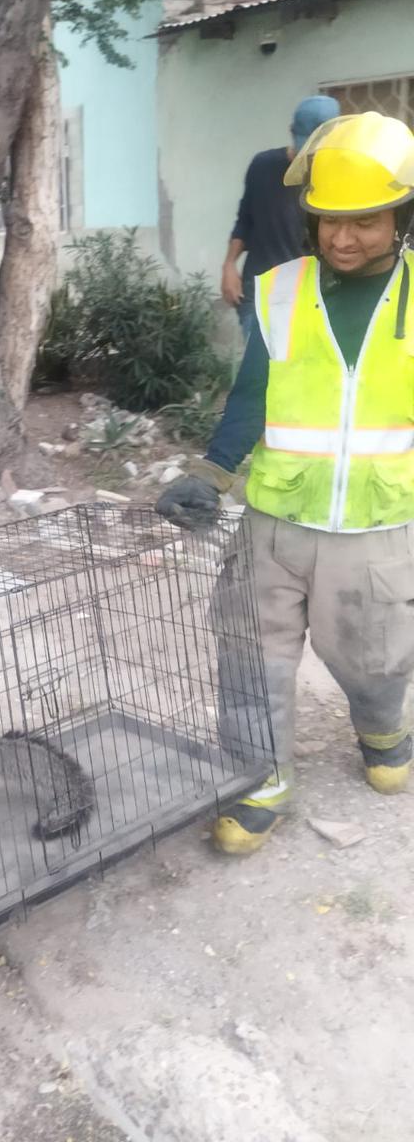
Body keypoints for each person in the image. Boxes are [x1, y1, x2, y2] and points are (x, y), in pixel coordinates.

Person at [158, 112, 414, 856]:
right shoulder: (279, 290)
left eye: (364, 221)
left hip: (376, 526)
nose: (342, 239)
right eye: (329, 221)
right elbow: (250, 396)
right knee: (247, 651)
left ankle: (382, 726)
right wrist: (211, 470)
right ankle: (259, 779)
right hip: (273, 520)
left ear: (399, 213)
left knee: (376, 655)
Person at [221, 94, 341, 340]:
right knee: (259, 375)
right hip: (258, 296)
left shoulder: (338, 177)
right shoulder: (262, 165)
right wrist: (229, 265)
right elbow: (245, 220)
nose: (308, 154)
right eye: (305, 144)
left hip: (311, 298)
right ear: (290, 131)